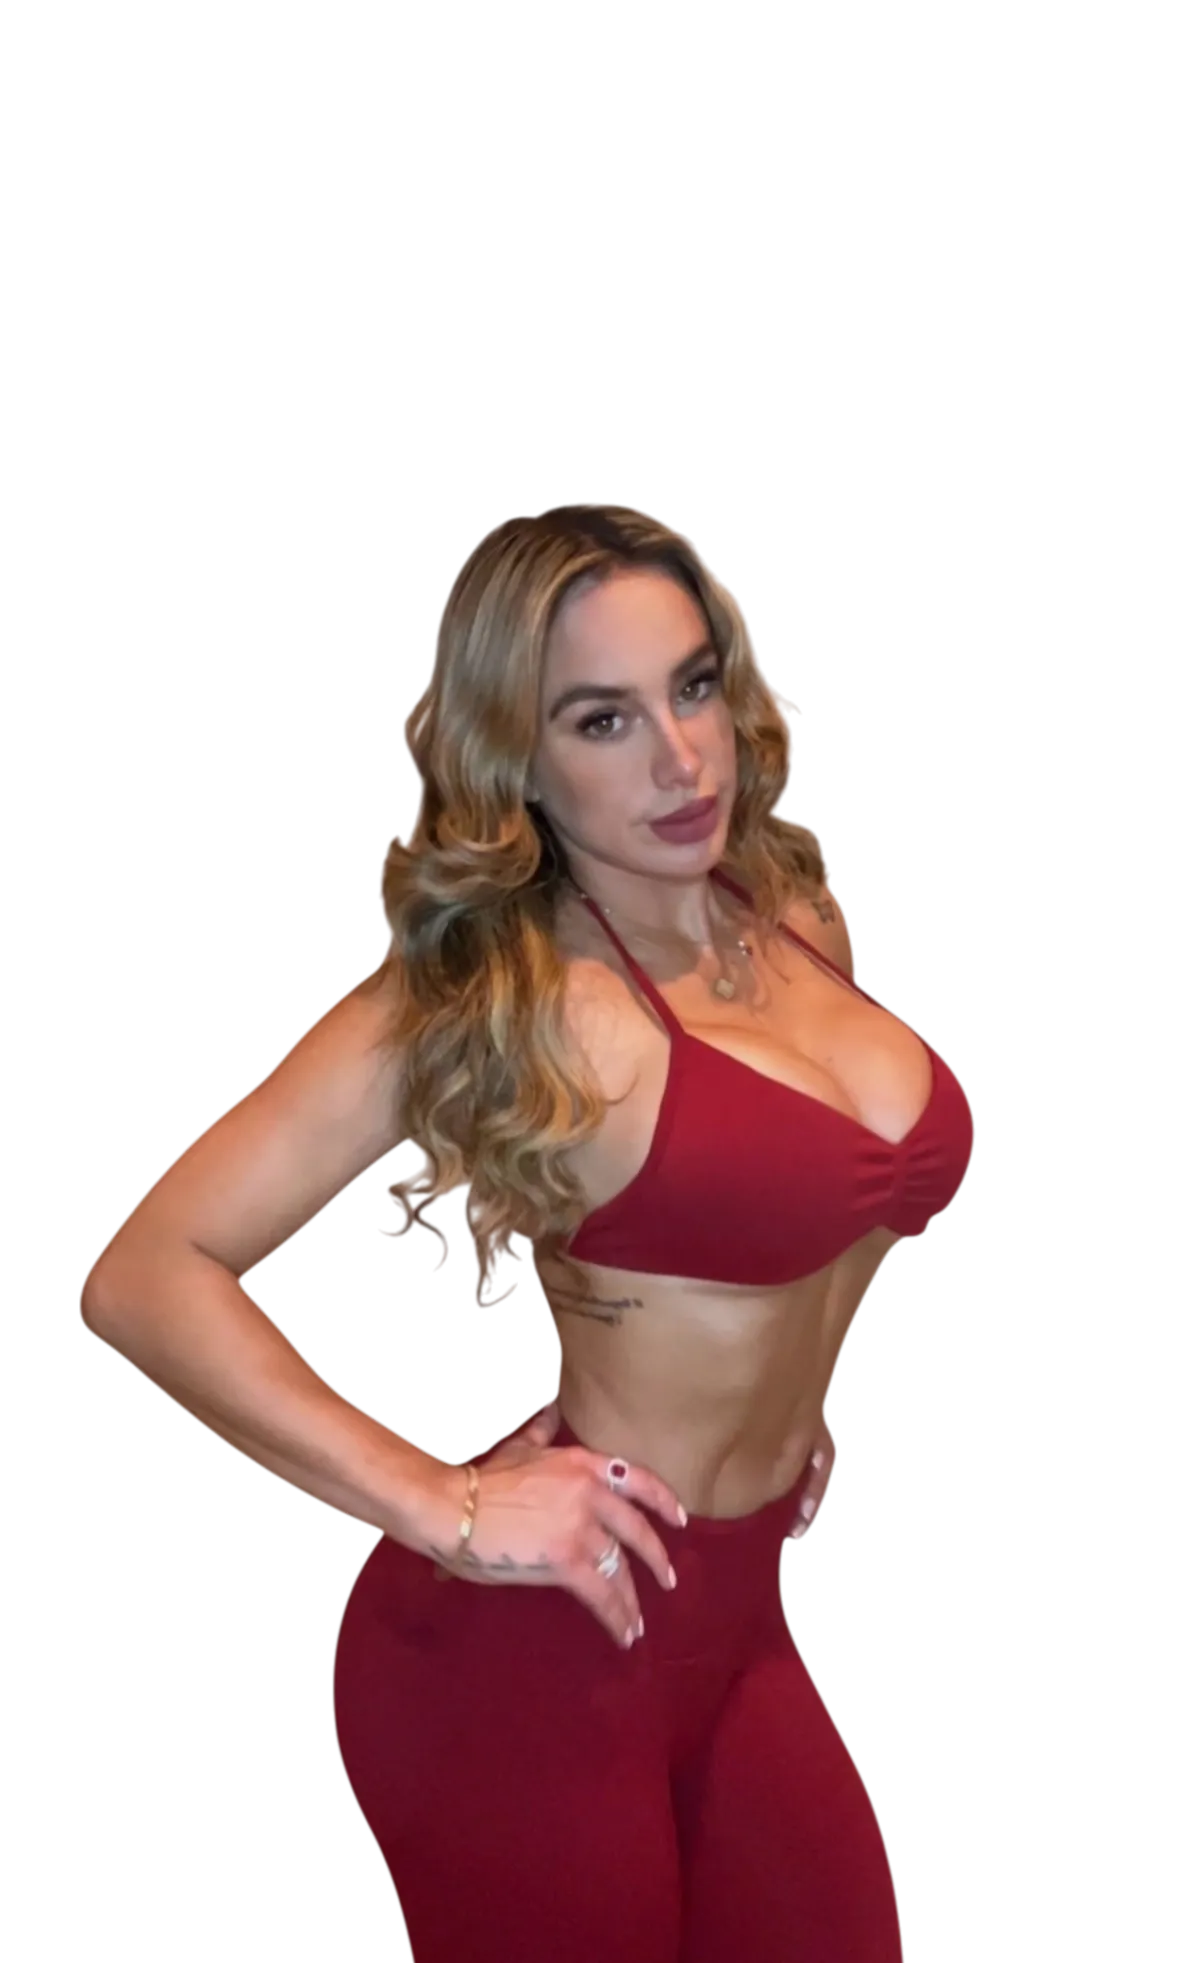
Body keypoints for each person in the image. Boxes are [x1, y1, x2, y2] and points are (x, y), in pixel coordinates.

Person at [80, 502, 974, 1960]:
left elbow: (800, 1220)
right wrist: (443, 1501)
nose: (680, 759)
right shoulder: (500, 997)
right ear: (519, 757)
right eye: (601, 719)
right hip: (529, 1644)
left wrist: (789, 1399)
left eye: (692, 687)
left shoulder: (794, 914)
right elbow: (146, 1275)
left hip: (734, 1620)